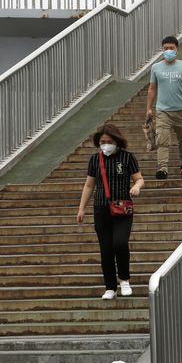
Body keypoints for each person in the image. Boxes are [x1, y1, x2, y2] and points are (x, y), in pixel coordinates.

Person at [77, 124, 145, 300]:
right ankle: (110, 287)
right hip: (101, 209)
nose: (106, 145)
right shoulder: (95, 160)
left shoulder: (127, 158)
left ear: (117, 141)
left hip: (122, 208)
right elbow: (89, 185)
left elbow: (139, 179)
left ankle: (124, 279)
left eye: (109, 141)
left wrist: (136, 186)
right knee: (106, 249)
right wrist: (81, 208)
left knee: (120, 243)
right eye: (102, 142)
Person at [146, 36, 182, 179]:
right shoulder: (156, 68)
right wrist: (149, 108)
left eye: (171, 48)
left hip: (181, 109)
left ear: (177, 50)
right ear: (162, 50)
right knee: (162, 139)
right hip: (163, 110)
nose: (169, 50)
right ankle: (162, 168)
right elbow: (152, 88)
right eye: (166, 48)